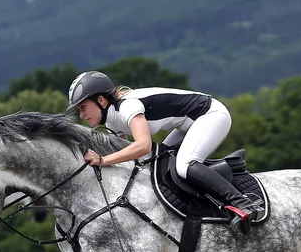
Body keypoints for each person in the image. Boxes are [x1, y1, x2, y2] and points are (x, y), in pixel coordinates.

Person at [65, 71, 262, 234]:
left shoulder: (127, 106)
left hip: (211, 115)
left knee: (184, 166)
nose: (81, 115)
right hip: (187, 124)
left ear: (100, 100)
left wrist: (103, 160)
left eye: (83, 107)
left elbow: (143, 146)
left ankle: (242, 203)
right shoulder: (111, 120)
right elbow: (127, 154)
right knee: (157, 165)